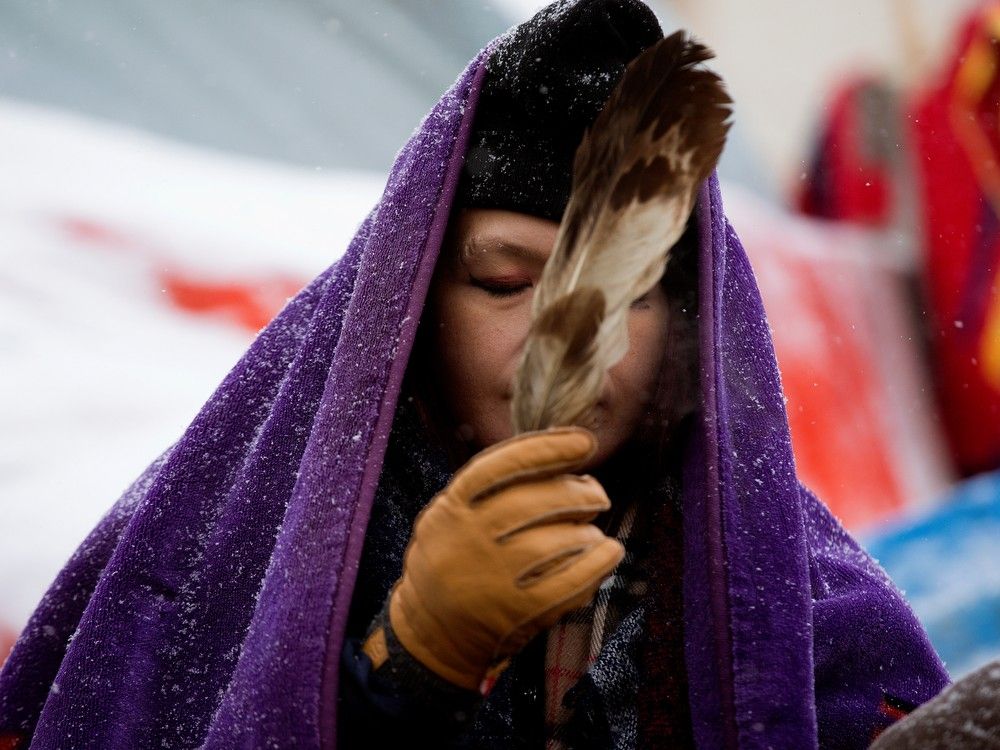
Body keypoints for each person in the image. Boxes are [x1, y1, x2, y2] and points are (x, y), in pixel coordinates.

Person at [0, 1, 949, 749]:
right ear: (409, 300)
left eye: (630, 291)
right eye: (506, 281)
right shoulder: (211, 544)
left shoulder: (808, 609)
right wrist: (404, 664)